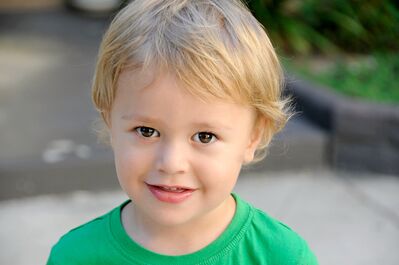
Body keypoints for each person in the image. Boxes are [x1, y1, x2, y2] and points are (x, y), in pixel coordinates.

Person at [47, 0, 318, 264]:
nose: (171, 163)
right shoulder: (75, 256)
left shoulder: (283, 257)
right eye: (147, 131)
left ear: (253, 137)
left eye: (205, 136)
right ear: (110, 122)